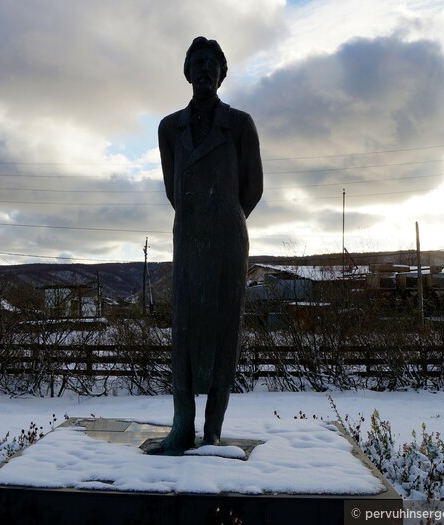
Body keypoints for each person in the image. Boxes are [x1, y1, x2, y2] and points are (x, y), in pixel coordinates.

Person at [157, 36, 263, 452]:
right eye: (197, 62)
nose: (204, 68)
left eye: (211, 63)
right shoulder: (169, 128)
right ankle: (182, 426)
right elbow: (173, 187)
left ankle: (212, 430)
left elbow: (252, 188)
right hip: (188, 238)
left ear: (222, 72)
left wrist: (224, 220)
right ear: (187, 72)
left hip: (227, 241)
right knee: (183, 329)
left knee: (224, 329)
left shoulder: (239, 124)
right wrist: (197, 219)